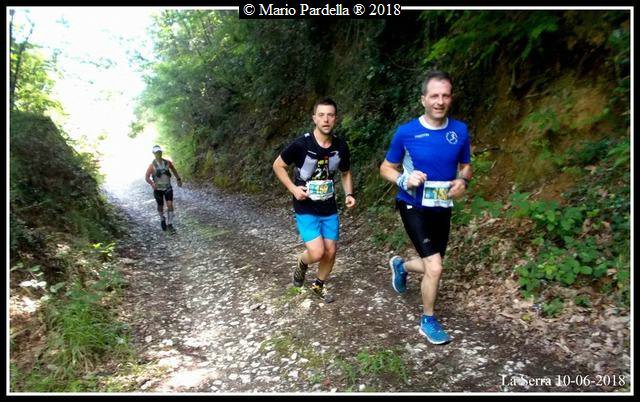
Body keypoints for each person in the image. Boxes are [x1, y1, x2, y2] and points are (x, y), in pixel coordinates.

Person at [379, 71, 472, 344]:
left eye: (445, 96)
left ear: (450, 98)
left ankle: (401, 266)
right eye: (434, 96)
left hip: (442, 205)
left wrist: (463, 180)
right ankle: (428, 320)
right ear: (423, 99)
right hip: (412, 205)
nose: (440, 101)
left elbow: (466, 165)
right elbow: (385, 168)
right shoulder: (406, 132)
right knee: (435, 267)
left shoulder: (459, 131)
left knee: (434, 263)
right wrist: (403, 179)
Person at [273, 98, 356, 303]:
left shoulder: (341, 146)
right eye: (321, 115)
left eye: (330, 115)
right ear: (314, 118)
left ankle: (318, 285)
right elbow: (278, 165)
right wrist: (293, 189)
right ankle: (302, 261)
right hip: (305, 206)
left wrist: (349, 194)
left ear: (335, 119)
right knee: (317, 252)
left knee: (331, 250)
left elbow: (345, 172)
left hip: (329, 207)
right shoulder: (301, 144)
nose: (326, 119)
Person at [145, 145, 183, 232]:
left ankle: (170, 224)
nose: (158, 154)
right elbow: (146, 177)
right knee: (160, 206)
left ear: (161, 152)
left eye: (159, 152)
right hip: (157, 189)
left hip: (168, 187)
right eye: (156, 152)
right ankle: (162, 219)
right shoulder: (151, 165)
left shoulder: (167, 162)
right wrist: (152, 184)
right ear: (154, 153)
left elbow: (173, 169)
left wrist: (178, 179)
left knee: (170, 204)